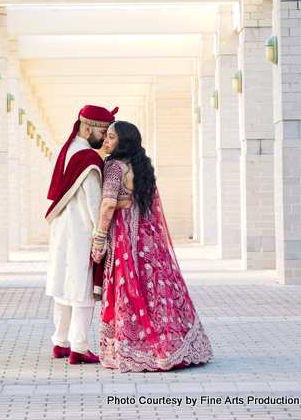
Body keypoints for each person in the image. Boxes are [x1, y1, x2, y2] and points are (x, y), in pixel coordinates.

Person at [92, 121, 213, 373]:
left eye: (111, 137)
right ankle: (169, 347)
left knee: (131, 291)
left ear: (123, 142)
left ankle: (137, 349)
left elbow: (107, 205)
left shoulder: (114, 167)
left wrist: (99, 239)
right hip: (148, 237)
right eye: (107, 137)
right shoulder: (141, 165)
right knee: (154, 291)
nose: (106, 141)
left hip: (125, 238)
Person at [45, 105, 119, 365]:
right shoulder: (88, 158)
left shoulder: (63, 151)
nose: (103, 138)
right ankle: (79, 347)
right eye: (102, 132)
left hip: (61, 229)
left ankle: (60, 342)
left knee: (64, 287)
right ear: (87, 127)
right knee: (83, 291)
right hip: (81, 232)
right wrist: (103, 234)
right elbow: (95, 203)